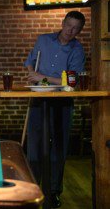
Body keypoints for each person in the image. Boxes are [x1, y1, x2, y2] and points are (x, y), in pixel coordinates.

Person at [24, 11, 86, 208]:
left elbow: (71, 81)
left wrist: (42, 77)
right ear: (63, 22)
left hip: (62, 101)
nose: (71, 31)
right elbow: (30, 63)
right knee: (34, 149)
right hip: (39, 98)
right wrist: (32, 72)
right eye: (69, 25)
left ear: (80, 30)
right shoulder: (43, 40)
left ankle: (53, 192)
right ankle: (33, 189)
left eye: (76, 28)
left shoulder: (78, 49)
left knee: (58, 150)